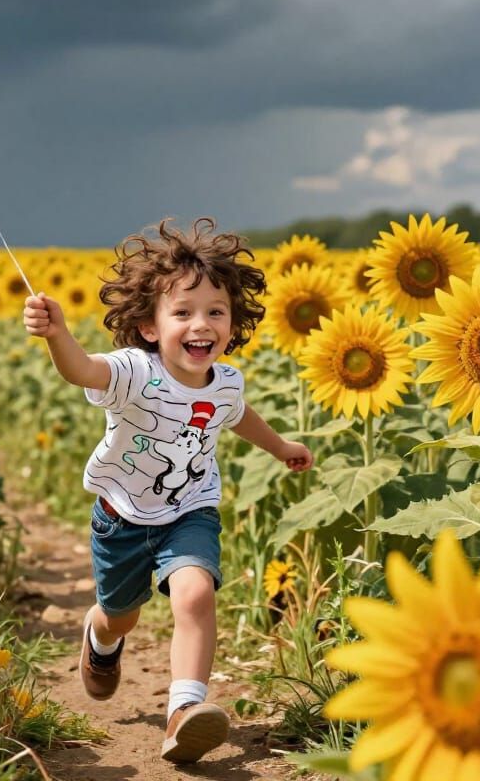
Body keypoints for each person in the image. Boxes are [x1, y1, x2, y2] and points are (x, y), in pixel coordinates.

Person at [23, 217, 314, 764]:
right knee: (120, 612)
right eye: (182, 312)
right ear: (152, 326)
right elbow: (83, 371)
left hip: (190, 509)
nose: (200, 324)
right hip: (123, 516)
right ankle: (101, 638)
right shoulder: (135, 371)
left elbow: (236, 415)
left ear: (233, 321)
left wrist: (279, 447)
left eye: (214, 311)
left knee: (196, 594)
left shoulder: (225, 381)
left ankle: (184, 711)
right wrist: (58, 334)